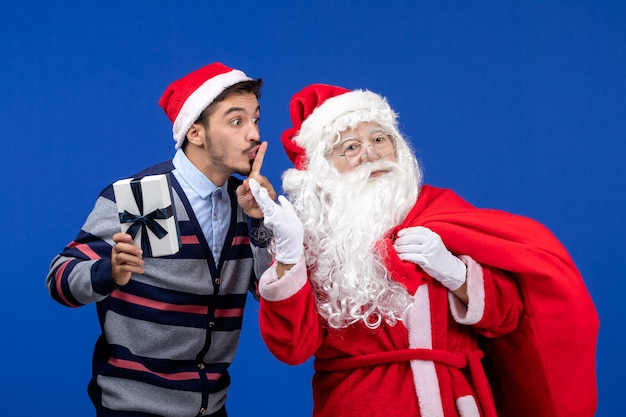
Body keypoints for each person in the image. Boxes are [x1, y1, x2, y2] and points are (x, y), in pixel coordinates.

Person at [249, 84, 599, 417]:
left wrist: (455, 273)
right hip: (358, 403)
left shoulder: (443, 213)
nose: (371, 154)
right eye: (351, 147)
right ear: (324, 170)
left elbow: (508, 316)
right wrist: (291, 256)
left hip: (453, 402)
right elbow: (291, 348)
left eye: (379, 139)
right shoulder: (314, 239)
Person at [46, 62, 275, 417]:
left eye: (255, 119)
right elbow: (59, 280)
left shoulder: (248, 203)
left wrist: (263, 223)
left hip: (211, 408)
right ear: (195, 133)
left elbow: (270, 293)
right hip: (133, 408)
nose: (254, 135)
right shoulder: (135, 197)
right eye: (236, 121)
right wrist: (109, 271)